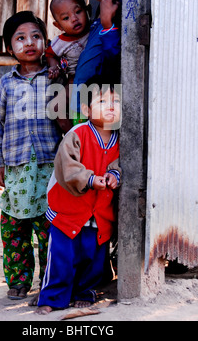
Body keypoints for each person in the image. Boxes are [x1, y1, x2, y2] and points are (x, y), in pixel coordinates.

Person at [36, 76, 122, 314]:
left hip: (99, 214)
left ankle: (85, 292)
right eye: (103, 100)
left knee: (92, 258)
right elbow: (68, 167)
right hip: (68, 211)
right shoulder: (77, 133)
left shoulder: (121, 140)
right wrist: (91, 179)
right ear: (86, 109)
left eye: (117, 101)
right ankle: (53, 297)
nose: (111, 106)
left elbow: (120, 164)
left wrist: (115, 175)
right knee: (62, 257)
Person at [0, 11, 61, 301]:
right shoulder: (6, 84)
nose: (29, 43)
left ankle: (49, 281)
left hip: (50, 165)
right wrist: (0, 162)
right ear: (10, 48)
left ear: (45, 42)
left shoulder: (56, 77)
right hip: (17, 167)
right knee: (14, 227)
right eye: (20, 38)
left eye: (35, 36)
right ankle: (19, 280)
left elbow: (68, 118)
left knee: (48, 227)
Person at [71, 0, 123, 115]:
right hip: (85, 109)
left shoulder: (121, 12)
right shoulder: (99, 12)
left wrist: (108, 25)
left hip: (102, 111)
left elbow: (116, 64)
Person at [46, 0, 90, 83]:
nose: (74, 19)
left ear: (87, 11)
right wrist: (54, 65)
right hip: (75, 79)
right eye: (66, 18)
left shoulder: (95, 30)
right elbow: (49, 54)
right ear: (59, 26)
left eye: (78, 11)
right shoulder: (60, 42)